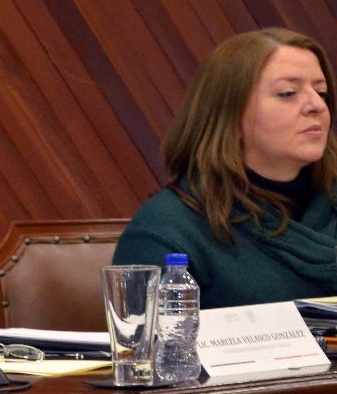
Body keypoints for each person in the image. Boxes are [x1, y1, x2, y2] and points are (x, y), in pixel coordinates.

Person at [113, 27, 337, 308]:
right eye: (287, 93)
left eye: (322, 92)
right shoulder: (166, 229)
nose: (316, 105)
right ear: (229, 113)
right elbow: (145, 348)